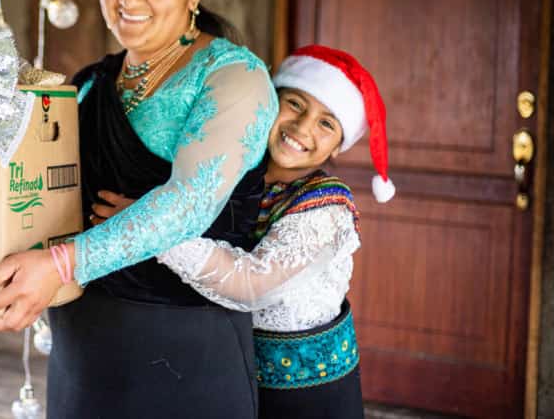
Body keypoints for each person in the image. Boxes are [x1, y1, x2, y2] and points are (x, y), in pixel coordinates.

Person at [0, 0, 278, 418]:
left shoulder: (234, 76)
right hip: (84, 337)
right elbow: (43, 188)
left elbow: (190, 203)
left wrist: (62, 261)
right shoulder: (92, 82)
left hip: (185, 342)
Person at [97, 45, 395, 418]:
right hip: (232, 377)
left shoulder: (327, 206)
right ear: (270, 101)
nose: (302, 128)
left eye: (326, 123)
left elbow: (252, 284)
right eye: (296, 104)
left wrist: (151, 226)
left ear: (339, 145)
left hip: (308, 394)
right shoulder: (238, 172)